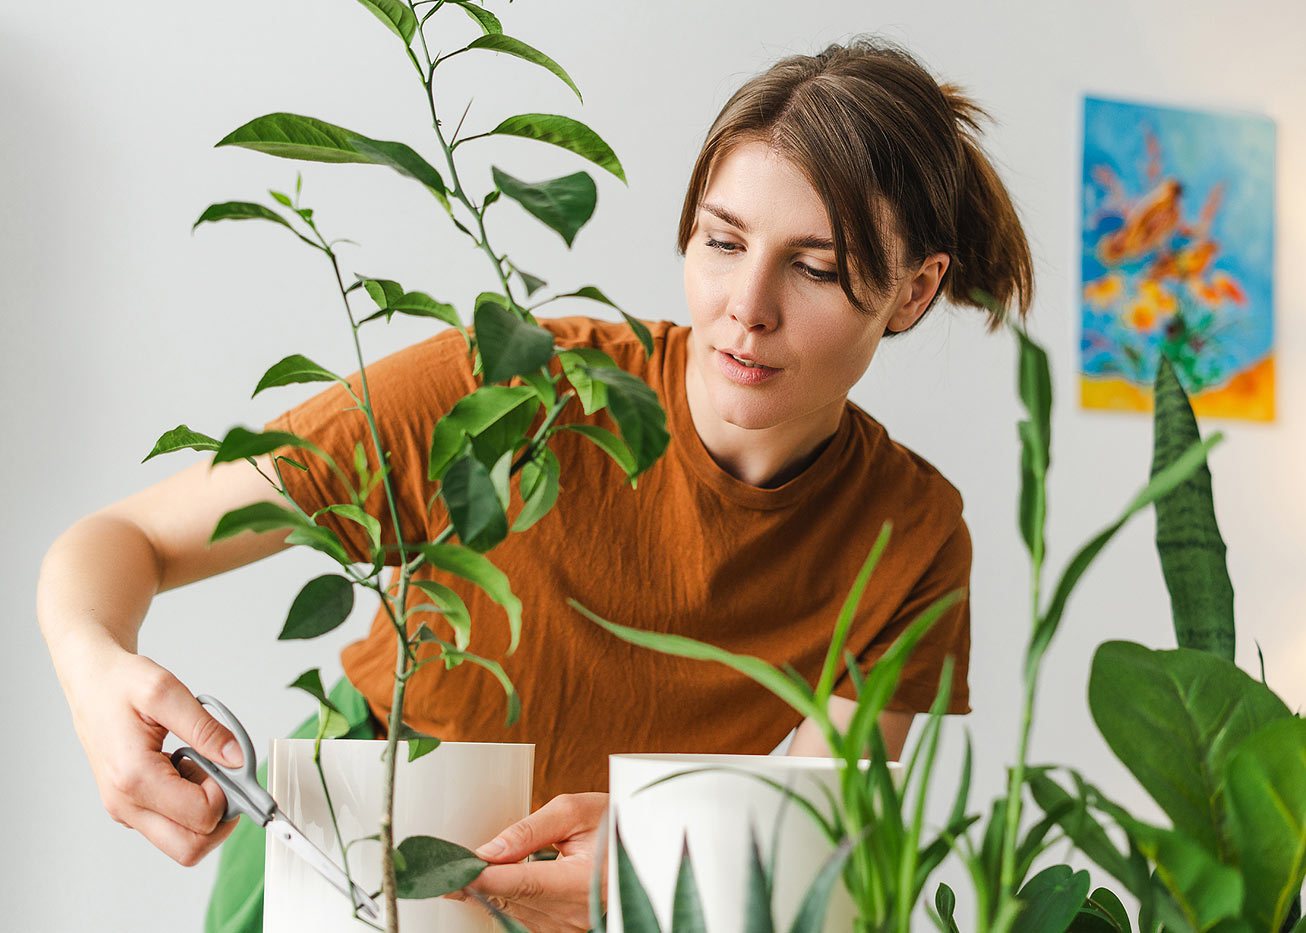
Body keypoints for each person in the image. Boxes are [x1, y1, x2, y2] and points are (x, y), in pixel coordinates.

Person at [37, 37, 1032, 933]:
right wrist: (94, 672)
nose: (746, 308)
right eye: (722, 242)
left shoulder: (909, 532)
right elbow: (129, 540)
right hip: (349, 862)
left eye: (814, 268)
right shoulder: (515, 387)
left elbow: (799, 842)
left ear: (914, 288)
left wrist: (654, 865)